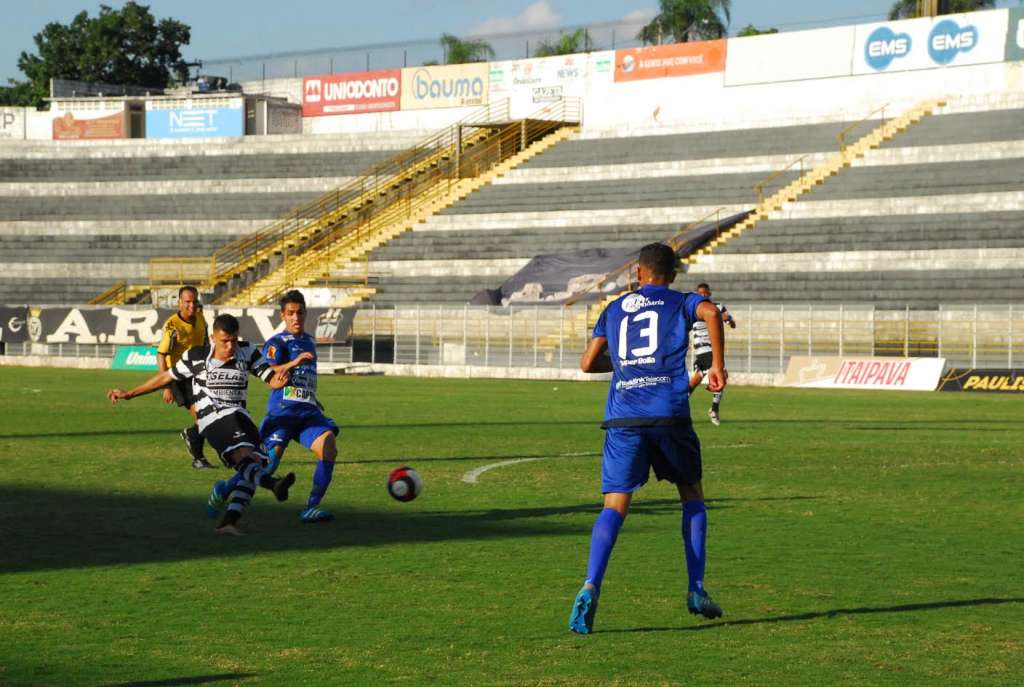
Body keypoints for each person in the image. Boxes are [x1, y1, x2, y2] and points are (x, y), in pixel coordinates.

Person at [569, 243, 728, 635]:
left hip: (623, 417)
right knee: (692, 497)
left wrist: (627, 363)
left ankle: (590, 584)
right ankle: (696, 589)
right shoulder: (679, 301)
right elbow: (710, 312)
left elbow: (588, 363)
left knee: (614, 506)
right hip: (669, 413)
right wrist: (719, 366)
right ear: (672, 274)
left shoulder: (614, 308)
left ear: (638, 273)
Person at [107, 313, 297, 536]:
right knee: (243, 456)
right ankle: (273, 484)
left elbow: (269, 378)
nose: (230, 346)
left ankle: (228, 523)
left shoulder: (248, 351)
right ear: (213, 338)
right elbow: (165, 378)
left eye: (234, 340)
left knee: (254, 463)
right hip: (213, 418)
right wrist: (130, 393)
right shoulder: (196, 356)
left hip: (240, 416)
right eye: (225, 341)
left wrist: (279, 381)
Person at [207, 290, 340, 524]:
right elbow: (266, 371)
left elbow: (305, 377)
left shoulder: (309, 340)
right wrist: (294, 362)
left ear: (305, 313)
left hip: (308, 413)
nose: (295, 317)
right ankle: (225, 488)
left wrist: (311, 397)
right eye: (290, 313)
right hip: (282, 413)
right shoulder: (276, 342)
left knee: (328, 446)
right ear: (283, 315)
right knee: (265, 466)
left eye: (299, 313)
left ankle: (311, 507)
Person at [157, 285, 212, 469]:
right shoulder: (172, 326)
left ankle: (193, 439)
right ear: (179, 303)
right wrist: (165, 385)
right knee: (202, 416)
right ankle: (198, 457)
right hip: (180, 377)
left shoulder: (201, 319)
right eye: (187, 301)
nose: (191, 305)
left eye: (194, 301)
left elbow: (205, 344)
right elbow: (161, 354)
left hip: (199, 373)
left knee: (209, 415)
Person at [689, 283, 736, 426]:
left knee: (693, 383)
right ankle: (714, 410)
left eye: (705, 293)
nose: (703, 295)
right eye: (700, 293)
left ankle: (678, 406)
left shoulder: (717, 307)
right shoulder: (692, 309)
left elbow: (732, 323)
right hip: (702, 349)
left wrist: (728, 319)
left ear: (709, 294)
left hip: (713, 348)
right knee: (721, 375)